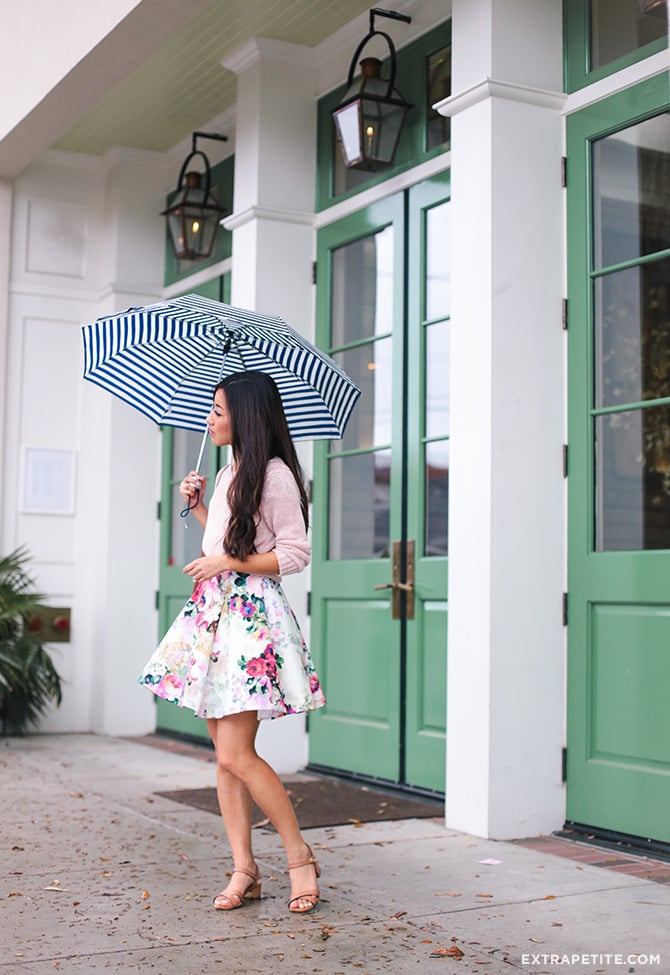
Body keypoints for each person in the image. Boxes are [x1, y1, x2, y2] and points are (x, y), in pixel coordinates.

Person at [138, 370, 326, 914]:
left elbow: (293, 553)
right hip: (213, 615)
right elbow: (228, 540)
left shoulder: (275, 476)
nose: (209, 419)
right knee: (223, 758)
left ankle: (299, 857)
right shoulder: (227, 474)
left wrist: (224, 560)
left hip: (250, 620)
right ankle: (245, 867)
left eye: (218, 411)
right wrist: (199, 507)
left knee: (237, 752)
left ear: (245, 416)